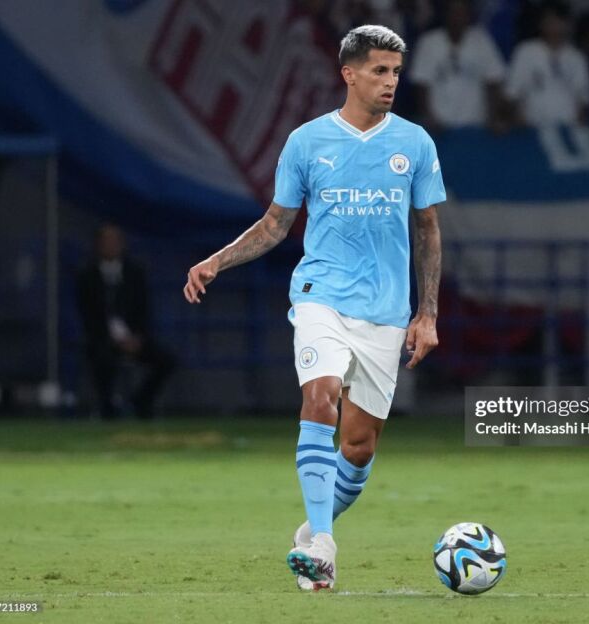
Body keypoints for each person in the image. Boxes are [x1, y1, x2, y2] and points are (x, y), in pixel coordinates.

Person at [183, 25, 445, 590]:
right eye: (379, 71)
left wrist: (427, 314)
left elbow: (427, 229)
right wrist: (217, 261)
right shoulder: (306, 142)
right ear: (348, 74)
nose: (390, 82)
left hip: (385, 310)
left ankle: (310, 530)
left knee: (359, 446)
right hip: (319, 296)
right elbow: (275, 224)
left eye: (396, 72)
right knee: (320, 396)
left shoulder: (415, 144)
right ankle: (324, 547)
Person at [77, 224, 177, 419]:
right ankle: (107, 407)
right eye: (106, 241)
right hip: (102, 339)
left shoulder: (135, 273)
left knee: (167, 360)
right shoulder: (86, 275)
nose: (111, 245)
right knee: (101, 358)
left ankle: (141, 401)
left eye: (115, 241)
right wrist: (112, 338)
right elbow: (87, 314)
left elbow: (144, 309)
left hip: (134, 338)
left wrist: (136, 337)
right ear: (98, 245)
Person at [409, 0, 506, 132]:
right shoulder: (429, 42)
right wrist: (429, 117)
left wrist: (493, 116)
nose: (457, 17)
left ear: (468, 15)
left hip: (475, 124)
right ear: (445, 15)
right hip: (440, 127)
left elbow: (494, 79)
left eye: (461, 12)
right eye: (453, 12)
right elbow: (421, 84)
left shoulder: (481, 41)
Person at [504, 1, 589, 127]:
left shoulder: (577, 57)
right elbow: (513, 92)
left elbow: (583, 98)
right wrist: (519, 122)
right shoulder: (526, 51)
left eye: (559, 21)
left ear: (568, 24)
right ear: (541, 24)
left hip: (567, 127)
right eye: (550, 21)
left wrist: (578, 126)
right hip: (531, 127)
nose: (554, 26)